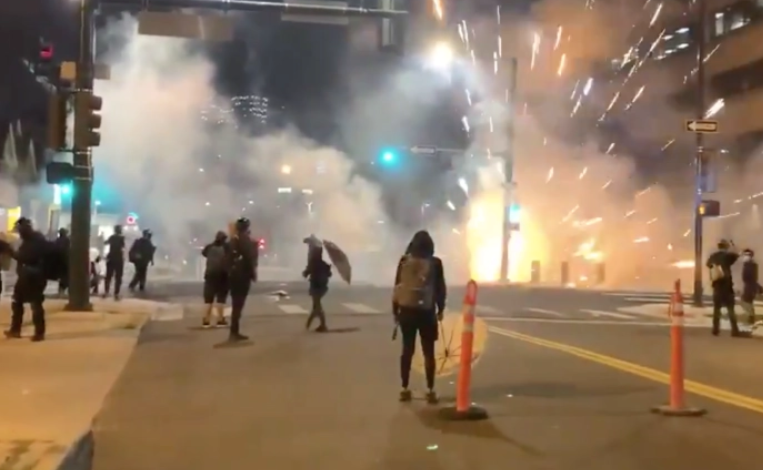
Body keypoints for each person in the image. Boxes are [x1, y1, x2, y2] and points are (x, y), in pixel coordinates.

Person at [392, 230, 447, 404]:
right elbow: (440, 289)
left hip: (406, 311)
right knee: (428, 352)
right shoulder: (435, 263)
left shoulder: (404, 261)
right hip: (426, 312)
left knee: (407, 350)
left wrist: (396, 311)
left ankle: (404, 388)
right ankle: (430, 390)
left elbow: (397, 286)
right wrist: (440, 309)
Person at [2, 218, 51, 342]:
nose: (19, 234)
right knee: (17, 301)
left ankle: (39, 332)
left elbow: (26, 258)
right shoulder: (30, 240)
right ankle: (15, 329)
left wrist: (10, 251)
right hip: (26, 276)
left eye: (20, 231)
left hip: (35, 277)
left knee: (35, 304)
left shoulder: (36, 241)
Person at [227, 217, 258, 342]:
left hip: (233, 275)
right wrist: (253, 273)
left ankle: (234, 331)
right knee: (238, 305)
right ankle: (234, 332)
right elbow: (249, 258)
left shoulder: (233, 240)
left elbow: (227, 258)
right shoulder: (245, 240)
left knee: (236, 304)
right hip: (242, 275)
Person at [706, 238, 743, 337]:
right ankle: (734, 330)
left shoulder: (713, 256)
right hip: (727, 287)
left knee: (716, 309)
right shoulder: (728, 256)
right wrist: (733, 245)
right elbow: (737, 254)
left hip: (717, 286)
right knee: (730, 309)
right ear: (726, 247)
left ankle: (715, 329)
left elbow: (708, 264)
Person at [201, 230, 230, 328]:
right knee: (221, 299)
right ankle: (220, 320)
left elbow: (204, 253)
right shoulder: (226, 247)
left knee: (208, 299)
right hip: (223, 275)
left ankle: (206, 320)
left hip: (209, 275)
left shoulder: (209, 247)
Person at [302, 237, 331, 332]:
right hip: (321, 286)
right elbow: (329, 274)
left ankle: (322, 325)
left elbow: (307, 272)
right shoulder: (322, 263)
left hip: (316, 286)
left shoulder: (314, 262)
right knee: (316, 305)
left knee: (317, 306)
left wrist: (306, 272)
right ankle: (315, 324)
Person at [128, 229, 156, 293]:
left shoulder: (141, 241)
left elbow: (150, 252)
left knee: (141, 273)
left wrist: (151, 260)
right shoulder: (144, 242)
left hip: (142, 260)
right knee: (140, 273)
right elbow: (150, 252)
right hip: (141, 260)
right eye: (149, 235)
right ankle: (134, 285)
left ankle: (140, 285)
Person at [103, 224, 126, 300]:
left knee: (108, 276)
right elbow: (123, 247)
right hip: (118, 258)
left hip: (111, 258)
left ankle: (106, 291)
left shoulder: (112, 237)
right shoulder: (122, 238)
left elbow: (105, 243)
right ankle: (116, 293)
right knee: (118, 277)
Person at [740, 248, 761, 327]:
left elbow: (751, 278)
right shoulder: (748, 264)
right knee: (748, 302)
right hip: (749, 285)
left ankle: (751, 317)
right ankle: (751, 318)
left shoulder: (750, 265)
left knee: (746, 302)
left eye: (746, 255)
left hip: (749, 286)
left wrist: (755, 287)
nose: (744, 257)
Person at [55, 228, 70, 296]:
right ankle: (63, 290)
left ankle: (61, 291)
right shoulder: (67, 240)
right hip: (66, 260)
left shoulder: (57, 240)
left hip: (58, 260)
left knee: (62, 276)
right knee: (67, 275)